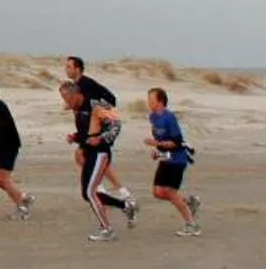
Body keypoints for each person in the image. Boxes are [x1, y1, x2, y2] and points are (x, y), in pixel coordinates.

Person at [63, 83, 134, 241]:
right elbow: (87, 132)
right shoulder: (77, 108)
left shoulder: (95, 105)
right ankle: (126, 206)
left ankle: (107, 230)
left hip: (101, 153)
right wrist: (75, 137)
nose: (65, 103)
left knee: (90, 191)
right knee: (87, 194)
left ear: (75, 94)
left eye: (67, 98)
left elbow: (116, 124)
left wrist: (101, 138)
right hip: (89, 153)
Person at [65, 56, 135, 208]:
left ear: (78, 69)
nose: (66, 69)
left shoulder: (85, 83)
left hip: (100, 127)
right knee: (84, 157)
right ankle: (111, 189)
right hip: (87, 128)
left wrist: (100, 120)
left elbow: (109, 99)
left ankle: (111, 189)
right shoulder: (75, 86)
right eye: (66, 67)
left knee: (87, 156)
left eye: (69, 67)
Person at [145, 87, 202, 236]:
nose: (148, 102)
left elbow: (177, 143)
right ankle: (188, 202)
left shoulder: (169, 118)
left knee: (170, 192)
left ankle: (192, 225)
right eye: (148, 99)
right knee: (157, 192)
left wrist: (156, 145)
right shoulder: (153, 117)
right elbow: (160, 140)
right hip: (166, 158)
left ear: (160, 101)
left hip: (177, 159)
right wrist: (157, 152)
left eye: (151, 99)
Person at [0, 76, 32, 218]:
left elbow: (5, 125)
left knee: (3, 178)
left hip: (10, 145)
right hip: (1, 146)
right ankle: (23, 197)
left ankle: (21, 208)